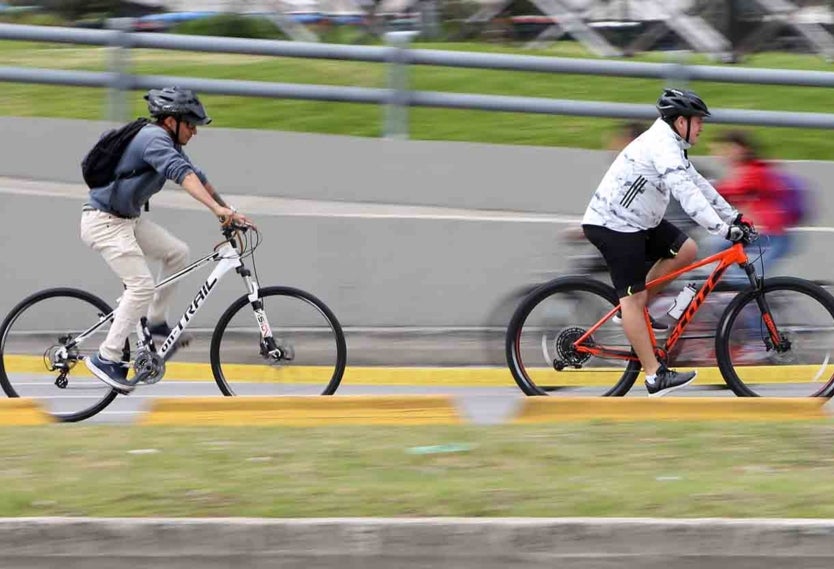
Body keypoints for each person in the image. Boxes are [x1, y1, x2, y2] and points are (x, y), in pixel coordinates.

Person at [581, 88, 752, 397]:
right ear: (680, 121)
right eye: (698, 121)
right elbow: (686, 195)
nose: (701, 127)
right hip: (615, 225)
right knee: (632, 299)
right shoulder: (662, 146)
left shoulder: (672, 143)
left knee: (686, 249)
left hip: (639, 220)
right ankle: (653, 376)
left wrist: (733, 216)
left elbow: (698, 183)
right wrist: (721, 230)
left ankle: (632, 312)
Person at [80, 86, 250, 393]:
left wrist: (226, 210)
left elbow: (195, 174)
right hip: (104, 223)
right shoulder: (153, 139)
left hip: (126, 221)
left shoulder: (166, 141)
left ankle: (156, 324)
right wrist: (217, 209)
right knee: (141, 286)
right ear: (171, 121)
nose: (195, 131)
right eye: (191, 124)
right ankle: (107, 357)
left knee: (177, 253)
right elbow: (180, 174)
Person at [702, 130, 794, 287]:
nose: (722, 155)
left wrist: (697, 191)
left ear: (741, 149)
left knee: (742, 281)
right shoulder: (746, 170)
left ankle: (754, 309)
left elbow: (730, 191)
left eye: (726, 149)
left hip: (771, 236)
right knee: (715, 247)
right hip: (761, 232)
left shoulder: (754, 170)